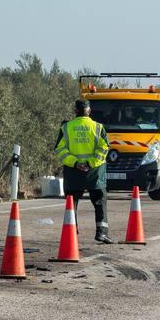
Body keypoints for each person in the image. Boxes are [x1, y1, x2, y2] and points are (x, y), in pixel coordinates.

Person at [54, 99, 113, 244]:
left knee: (71, 202)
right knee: (100, 201)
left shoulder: (66, 127)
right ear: (89, 111)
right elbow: (104, 148)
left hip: (73, 172)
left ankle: (71, 233)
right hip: (95, 172)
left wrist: (75, 163)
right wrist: (90, 163)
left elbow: (60, 150)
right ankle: (101, 233)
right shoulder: (98, 127)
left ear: (75, 111)